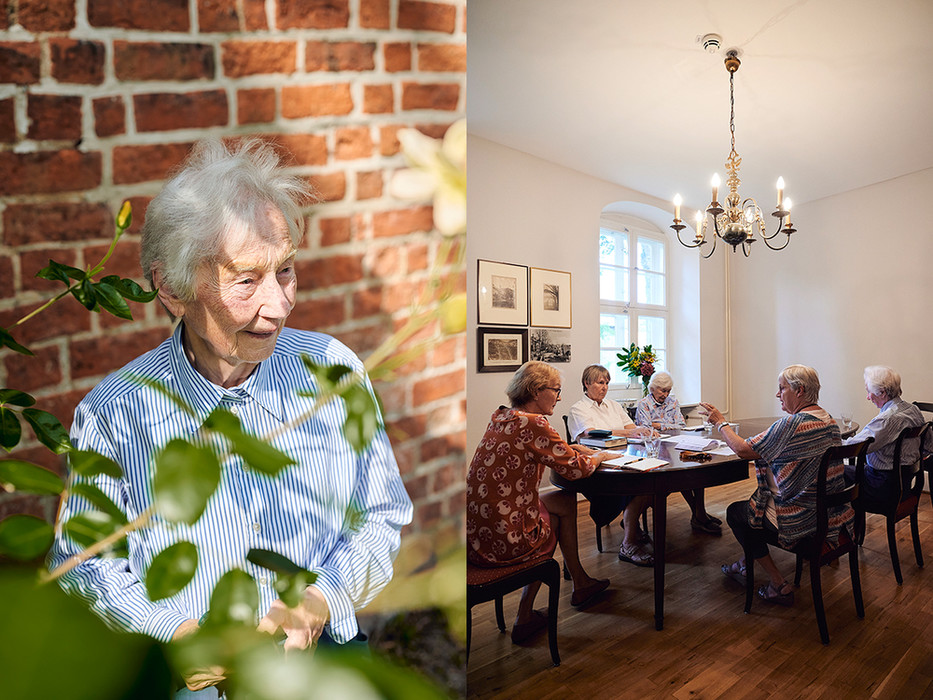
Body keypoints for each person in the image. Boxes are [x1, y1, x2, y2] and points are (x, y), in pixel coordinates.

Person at [48, 139, 413, 696]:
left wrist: (320, 599)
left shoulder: (334, 371)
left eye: (285, 270)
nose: (279, 304)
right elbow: (83, 565)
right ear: (172, 289)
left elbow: (381, 514)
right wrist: (173, 632)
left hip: (325, 665)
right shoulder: (114, 414)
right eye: (247, 280)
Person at [467, 361, 616, 643]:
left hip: (479, 529)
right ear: (537, 391)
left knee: (563, 501)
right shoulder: (534, 422)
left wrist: (572, 448)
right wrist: (596, 457)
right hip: (504, 537)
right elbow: (574, 469)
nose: (559, 397)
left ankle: (581, 582)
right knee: (557, 516)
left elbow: (540, 449)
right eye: (556, 391)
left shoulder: (503, 416)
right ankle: (525, 615)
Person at [701, 364, 851, 607]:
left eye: (781, 388)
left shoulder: (791, 425)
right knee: (753, 508)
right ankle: (744, 563)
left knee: (738, 514)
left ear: (799, 390)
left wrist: (720, 422)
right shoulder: (829, 420)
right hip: (831, 514)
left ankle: (777, 583)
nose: (777, 394)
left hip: (801, 518)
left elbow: (742, 449)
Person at [567, 364, 656, 566]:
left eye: (607, 382)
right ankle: (628, 544)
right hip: (600, 467)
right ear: (586, 383)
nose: (605, 387)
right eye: (600, 382)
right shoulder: (578, 409)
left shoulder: (614, 405)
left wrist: (643, 431)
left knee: (653, 480)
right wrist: (629, 432)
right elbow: (592, 433)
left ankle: (629, 522)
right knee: (640, 487)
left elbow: (633, 428)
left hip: (624, 457)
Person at [636, 371, 722, 535]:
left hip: (676, 444)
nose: (666, 394)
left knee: (694, 469)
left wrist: (659, 425)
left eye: (668, 390)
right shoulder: (643, 404)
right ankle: (699, 515)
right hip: (654, 449)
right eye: (662, 391)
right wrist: (666, 425)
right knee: (682, 476)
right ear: (652, 388)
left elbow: (681, 425)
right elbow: (646, 429)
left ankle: (699, 514)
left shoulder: (673, 402)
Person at [843, 366, 927, 501]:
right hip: (904, 484)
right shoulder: (913, 410)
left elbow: (853, 448)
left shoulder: (887, 419)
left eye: (869, 392)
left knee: (835, 473)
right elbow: (929, 445)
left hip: (883, 486)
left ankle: (840, 519)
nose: (868, 397)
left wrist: (829, 441)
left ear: (882, 393)